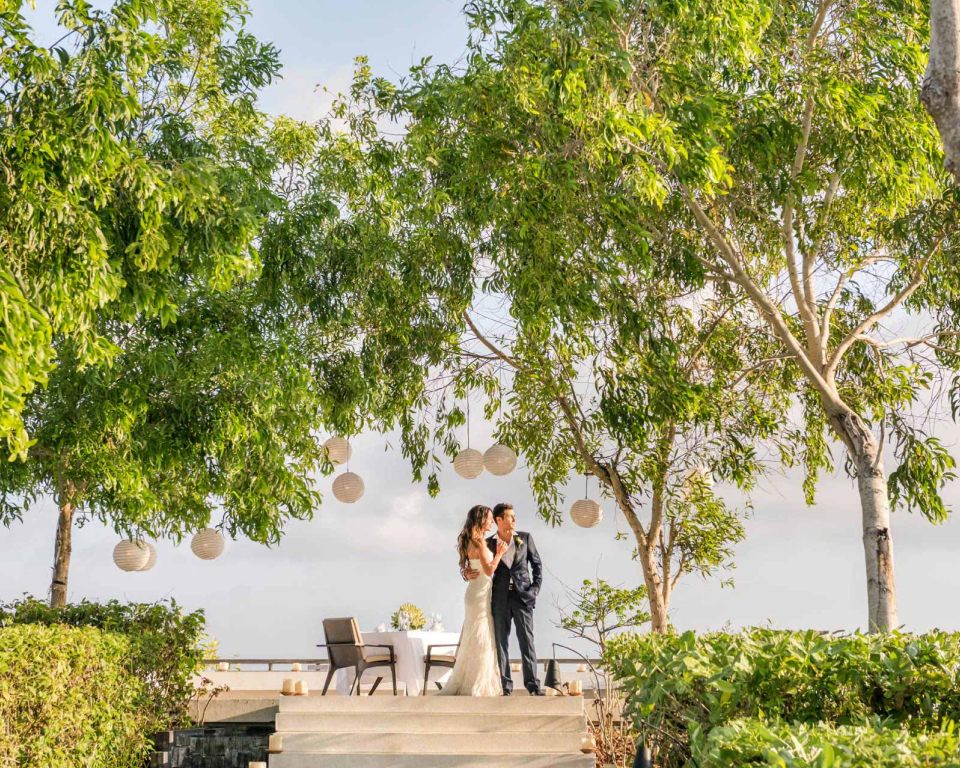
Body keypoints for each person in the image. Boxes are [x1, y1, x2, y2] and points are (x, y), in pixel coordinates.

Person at [467, 502, 544, 695]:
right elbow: (477, 562)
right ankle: (505, 687)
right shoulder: (489, 542)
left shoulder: (525, 538)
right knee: (501, 643)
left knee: (527, 642)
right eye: (510, 516)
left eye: (514, 516)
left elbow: (537, 566)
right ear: (499, 520)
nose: (514, 519)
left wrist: (534, 590)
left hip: (523, 598)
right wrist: (467, 572)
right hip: (500, 598)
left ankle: (533, 686)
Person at [438, 504, 507, 696]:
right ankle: (477, 681)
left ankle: (472, 677)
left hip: (475, 592)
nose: (492, 521)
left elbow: (472, 567)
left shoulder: (470, 540)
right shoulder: (479, 542)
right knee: (480, 637)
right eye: (490, 518)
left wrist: (467, 572)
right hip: (478, 596)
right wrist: (499, 554)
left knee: (474, 636)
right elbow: (489, 570)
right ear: (481, 519)